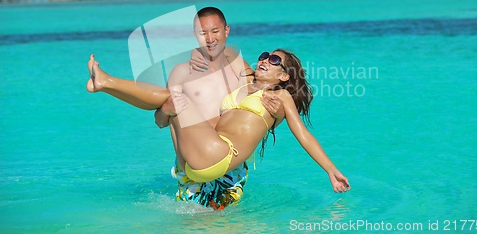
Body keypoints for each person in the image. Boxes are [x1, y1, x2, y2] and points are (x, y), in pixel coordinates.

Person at [86, 47, 350, 193]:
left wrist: (330, 169)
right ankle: (106, 86)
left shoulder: (280, 97)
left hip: (220, 156)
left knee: (175, 98)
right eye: (263, 55)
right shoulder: (246, 80)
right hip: (195, 160)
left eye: (274, 60)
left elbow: (302, 134)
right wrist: (198, 54)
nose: (265, 60)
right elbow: (226, 50)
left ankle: (107, 81)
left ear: (284, 76)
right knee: (170, 101)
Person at [153, 7, 285, 209]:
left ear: (226, 31)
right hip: (195, 158)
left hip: (230, 162)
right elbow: (161, 121)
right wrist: (166, 110)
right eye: (202, 33)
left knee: (227, 223)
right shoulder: (181, 72)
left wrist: (278, 114)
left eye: (215, 31)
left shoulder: (239, 67)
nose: (210, 39)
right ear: (194, 36)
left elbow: (266, 93)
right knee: (192, 222)